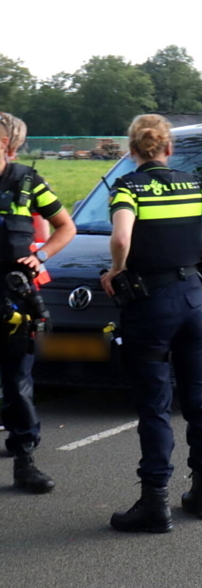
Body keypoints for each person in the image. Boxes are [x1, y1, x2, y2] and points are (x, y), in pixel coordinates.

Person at [102, 114, 202, 532]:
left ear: (132, 151)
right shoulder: (194, 183)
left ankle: (155, 504)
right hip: (192, 301)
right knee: (199, 401)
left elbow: (120, 239)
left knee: (154, 407)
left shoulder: (127, 186)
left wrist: (116, 271)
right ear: (169, 149)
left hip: (149, 306)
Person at [0, 112, 76, 494]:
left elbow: (66, 226)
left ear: (4, 146)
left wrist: (41, 257)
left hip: (14, 298)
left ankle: (25, 460)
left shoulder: (27, 181)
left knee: (16, 382)